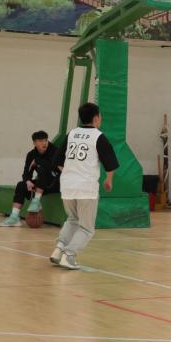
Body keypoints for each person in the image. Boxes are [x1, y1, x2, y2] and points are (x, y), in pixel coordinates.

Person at [50, 103, 118, 270]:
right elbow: (110, 164)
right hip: (86, 188)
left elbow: (57, 161)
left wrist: (70, 173)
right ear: (96, 118)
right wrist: (109, 180)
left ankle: (58, 249)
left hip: (67, 186)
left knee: (72, 219)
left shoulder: (71, 134)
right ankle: (69, 255)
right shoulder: (98, 136)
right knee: (87, 228)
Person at [0, 130, 61, 227]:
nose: (44, 143)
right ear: (34, 143)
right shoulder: (31, 154)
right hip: (42, 184)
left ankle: (36, 201)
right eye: (40, 141)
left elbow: (54, 166)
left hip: (56, 183)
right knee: (21, 185)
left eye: (45, 140)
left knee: (43, 168)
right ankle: (14, 217)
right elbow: (26, 173)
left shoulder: (55, 151)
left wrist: (38, 161)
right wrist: (27, 181)